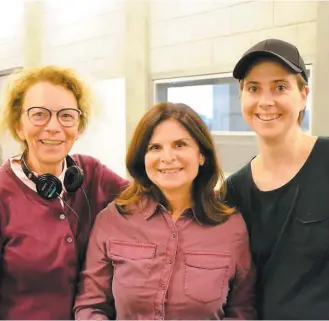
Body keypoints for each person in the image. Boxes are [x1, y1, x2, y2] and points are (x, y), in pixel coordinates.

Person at [74, 102, 256, 320]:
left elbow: (242, 311)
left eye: (180, 145)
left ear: (201, 154)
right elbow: (90, 306)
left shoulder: (231, 227)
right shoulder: (113, 219)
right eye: (155, 147)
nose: (167, 158)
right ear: (143, 158)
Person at [0, 65, 128, 320]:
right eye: (39, 115)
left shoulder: (92, 173)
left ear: (78, 127)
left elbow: (148, 201)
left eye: (66, 116)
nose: (53, 127)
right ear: (18, 126)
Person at [223, 38, 329, 319]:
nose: (265, 101)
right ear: (241, 97)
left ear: (303, 94)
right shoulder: (233, 192)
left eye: (280, 87)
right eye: (253, 88)